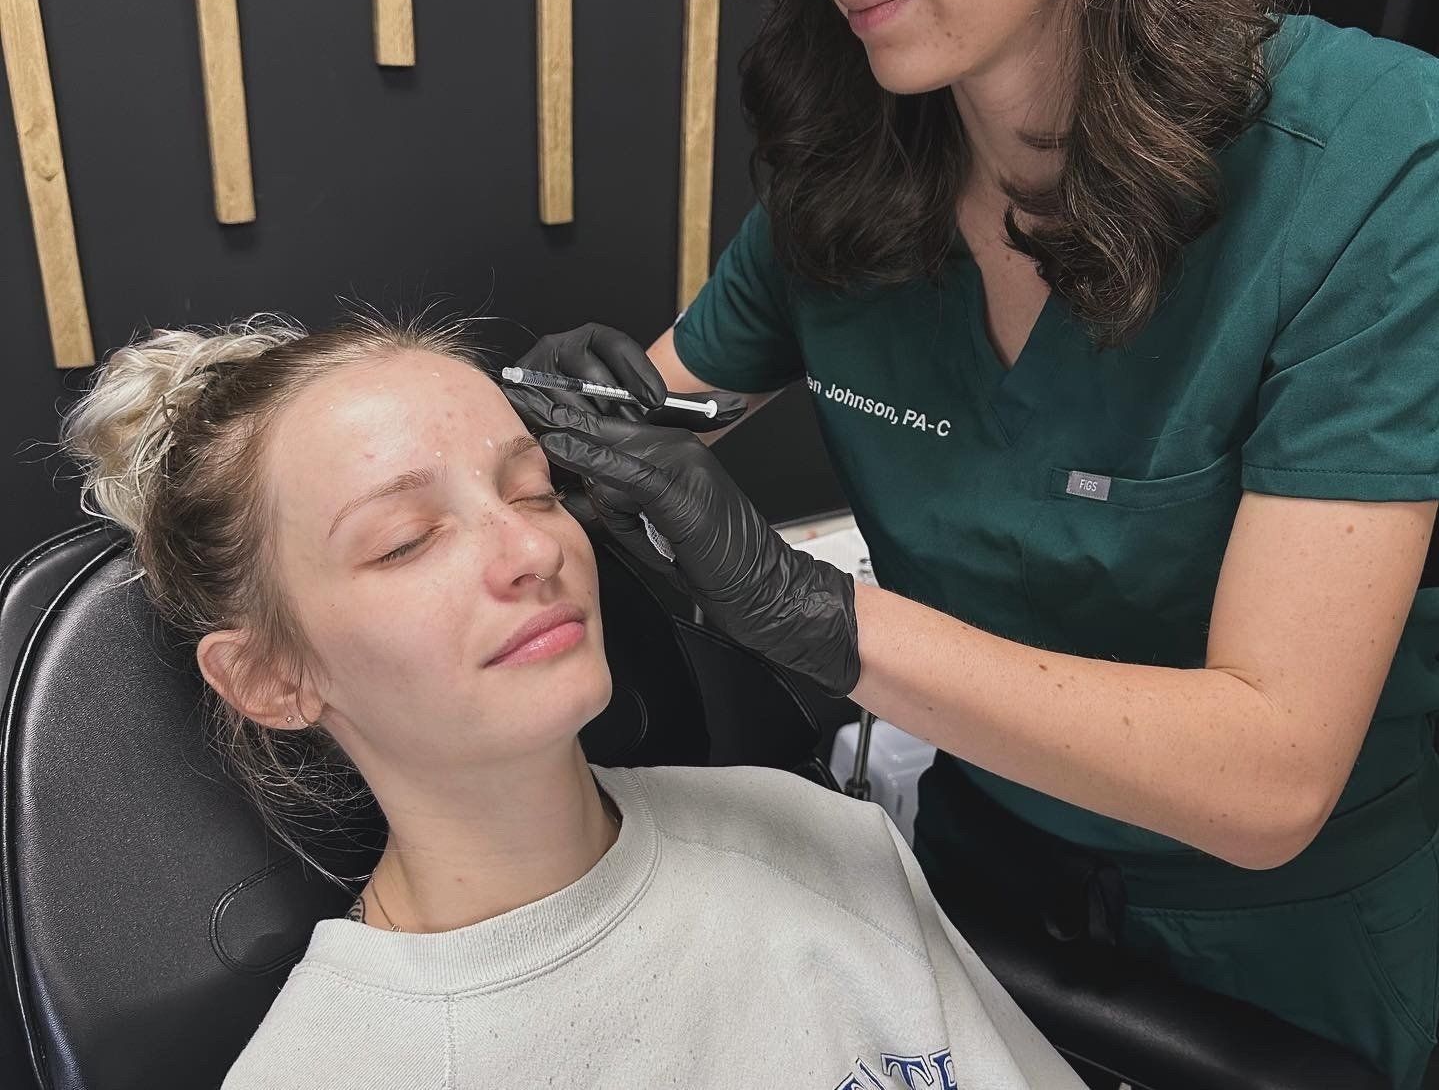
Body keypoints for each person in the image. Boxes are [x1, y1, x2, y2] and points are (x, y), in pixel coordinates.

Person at [502, 0, 1439, 1085]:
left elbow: (1264, 776)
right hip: (977, 881)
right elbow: (674, 399)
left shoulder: (1377, 172)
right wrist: (588, 422)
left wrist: (805, 611)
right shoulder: (857, 178)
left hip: (1279, 959)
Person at [60, 313, 1085, 1089]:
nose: (529, 548)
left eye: (533, 487)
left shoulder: (815, 837)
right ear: (274, 678)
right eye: (408, 537)